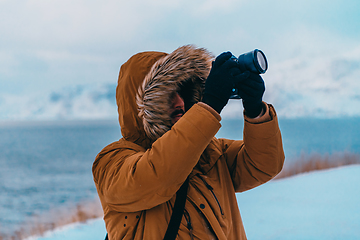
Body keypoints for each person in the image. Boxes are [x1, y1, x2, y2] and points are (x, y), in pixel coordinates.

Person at [92, 45, 285, 240]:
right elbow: (157, 176)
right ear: (141, 105)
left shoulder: (211, 151)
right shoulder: (110, 162)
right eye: (166, 95)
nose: (179, 102)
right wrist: (209, 106)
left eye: (182, 91)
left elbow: (264, 165)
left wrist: (256, 111)